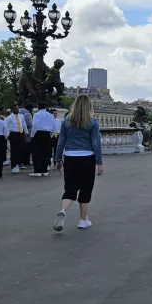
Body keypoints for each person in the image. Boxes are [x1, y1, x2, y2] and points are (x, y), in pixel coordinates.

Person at [53, 95, 103, 231]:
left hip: (70, 157)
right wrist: (100, 162)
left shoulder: (66, 121)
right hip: (87, 157)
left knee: (70, 189)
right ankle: (83, 220)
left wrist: (57, 159)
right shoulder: (92, 122)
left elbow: (61, 142)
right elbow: (96, 143)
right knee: (86, 189)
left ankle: (63, 210)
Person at [30, 102, 55, 177]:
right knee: (45, 152)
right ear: (45, 107)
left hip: (38, 133)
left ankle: (37, 170)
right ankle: (44, 170)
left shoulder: (37, 114)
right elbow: (54, 128)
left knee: (37, 152)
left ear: (38, 107)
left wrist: (32, 135)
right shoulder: (50, 115)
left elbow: (35, 125)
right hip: (47, 134)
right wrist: (50, 135)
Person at [5, 105, 29, 174]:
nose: (17, 110)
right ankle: (14, 166)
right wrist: (7, 134)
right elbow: (5, 126)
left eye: (18, 108)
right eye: (15, 108)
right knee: (14, 150)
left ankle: (18, 163)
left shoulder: (21, 116)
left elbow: (24, 124)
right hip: (13, 134)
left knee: (21, 149)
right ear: (12, 109)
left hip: (21, 133)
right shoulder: (9, 118)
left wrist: (26, 132)